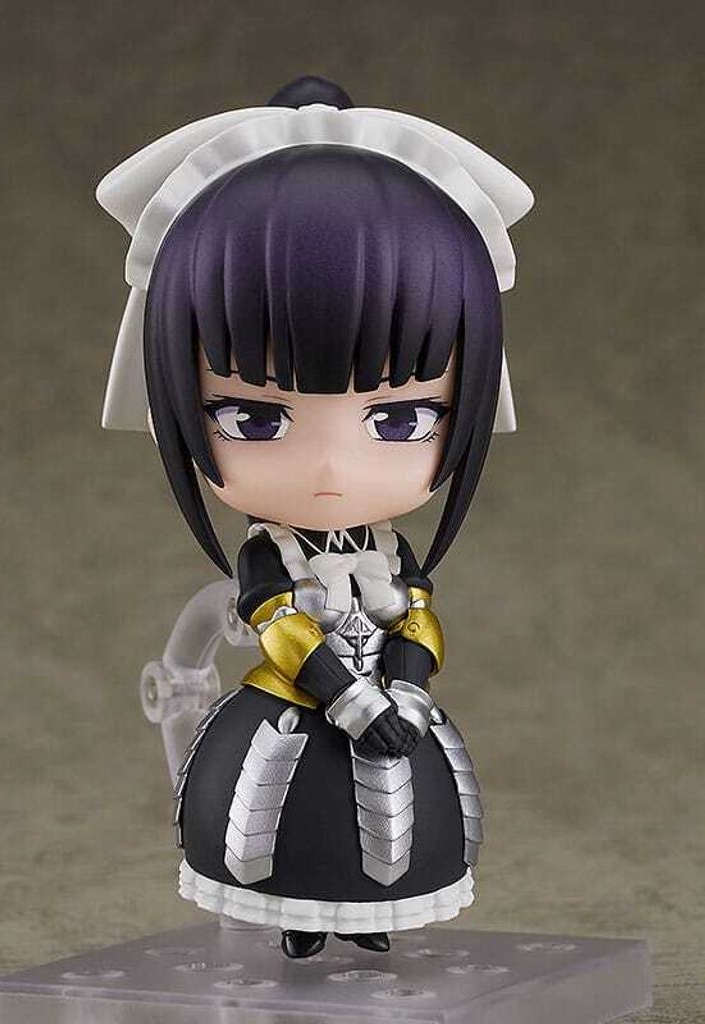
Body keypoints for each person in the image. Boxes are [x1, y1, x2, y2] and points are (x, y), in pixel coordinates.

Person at [96, 75, 533, 959]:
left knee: (407, 822)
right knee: (270, 830)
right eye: (254, 419)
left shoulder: (392, 550)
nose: (331, 468)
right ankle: (296, 921)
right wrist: (353, 697)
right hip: (294, 709)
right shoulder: (271, 558)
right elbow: (281, 628)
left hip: (389, 706)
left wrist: (406, 683)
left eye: (400, 421)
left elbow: (417, 614)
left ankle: (371, 926)